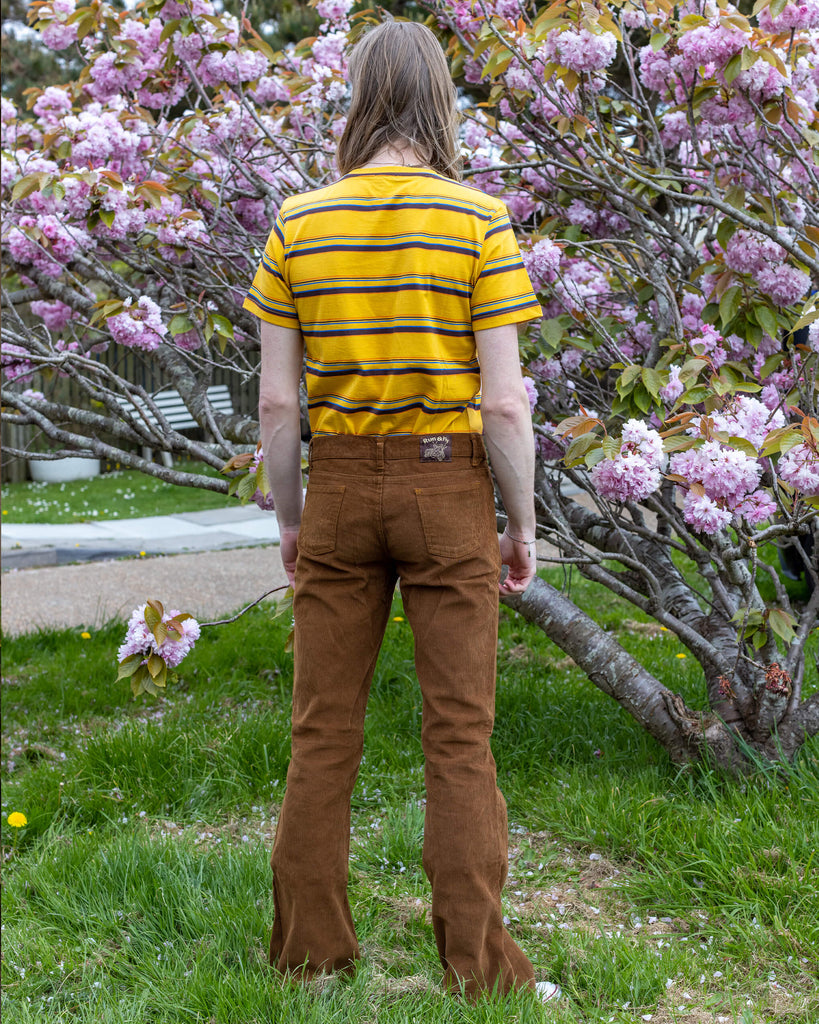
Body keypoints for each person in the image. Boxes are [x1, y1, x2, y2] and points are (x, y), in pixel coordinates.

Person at [244, 19, 560, 1003]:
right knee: (458, 734)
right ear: (438, 98)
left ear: (357, 97)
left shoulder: (301, 221)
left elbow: (278, 406)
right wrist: (521, 522)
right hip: (445, 485)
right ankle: (480, 968)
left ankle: (310, 957)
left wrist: (291, 516)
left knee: (321, 730)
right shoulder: (479, 222)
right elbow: (504, 402)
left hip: (337, 484)